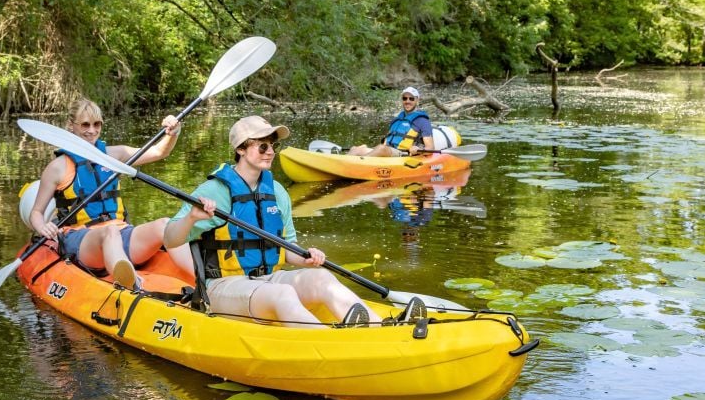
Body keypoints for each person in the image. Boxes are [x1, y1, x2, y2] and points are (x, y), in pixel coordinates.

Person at [164, 115, 424, 328]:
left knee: (321, 277)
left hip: (269, 278)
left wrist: (306, 258)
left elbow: (288, 250)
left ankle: (379, 329)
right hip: (224, 287)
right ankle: (327, 344)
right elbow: (170, 238)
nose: (270, 152)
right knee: (283, 294)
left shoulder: (277, 192)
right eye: (262, 146)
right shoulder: (214, 191)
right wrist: (191, 218)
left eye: (272, 146)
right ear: (241, 149)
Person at [29, 98, 193, 288]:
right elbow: (36, 212)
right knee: (109, 232)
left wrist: (173, 134)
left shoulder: (115, 155)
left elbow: (158, 152)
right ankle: (132, 286)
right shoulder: (57, 168)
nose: (92, 131)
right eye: (85, 125)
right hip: (81, 241)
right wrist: (42, 227)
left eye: (96, 124)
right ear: (71, 126)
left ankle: (203, 282)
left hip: (122, 233)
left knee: (165, 224)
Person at [348, 86, 435, 158]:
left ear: (417, 100)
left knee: (381, 149)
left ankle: (360, 164)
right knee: (356, 149)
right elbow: (387, 141)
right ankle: (343, 165)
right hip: (388, 151)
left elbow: (430, 148)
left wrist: (418, 150)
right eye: (405, 98)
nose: (407, 101)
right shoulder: (397, 120)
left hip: (404, 154)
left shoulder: (423, 121)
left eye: (411, 99)